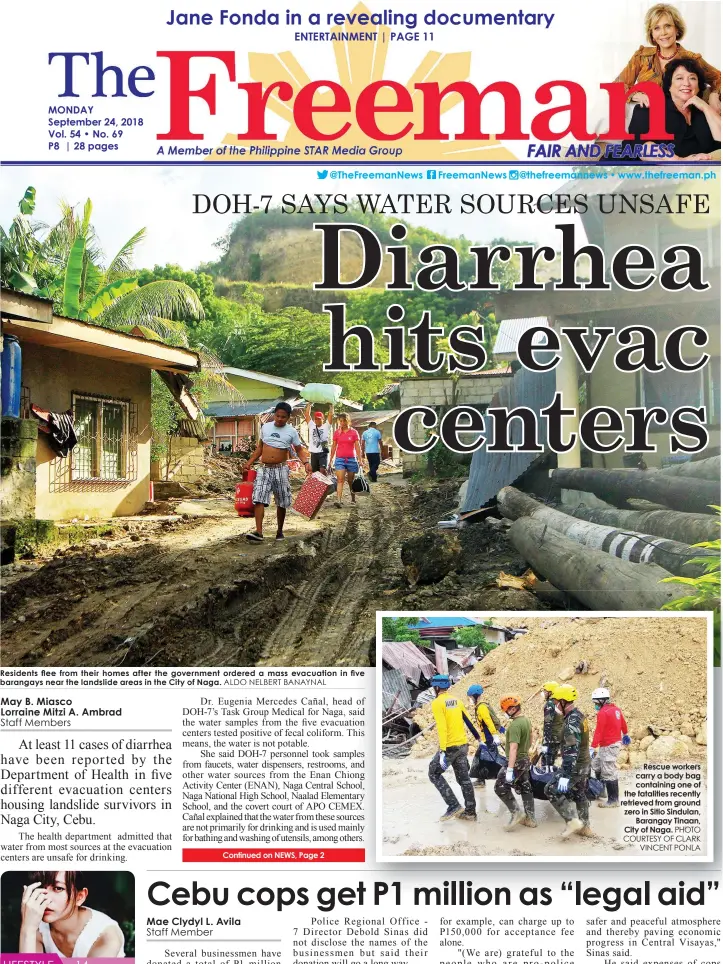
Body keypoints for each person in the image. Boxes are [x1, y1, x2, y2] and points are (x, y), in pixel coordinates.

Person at [613, 4, 720, 113]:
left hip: (683, 121)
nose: (663, 33)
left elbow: (719, 78)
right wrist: (635, 94)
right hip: (647, 120)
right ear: (652, 34)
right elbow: (616, 86)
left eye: (668, 26)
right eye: (657, 28)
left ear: (677, 29)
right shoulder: (642, 56)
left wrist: (714, 94)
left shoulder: (691, 59)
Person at [243, 402, 311, 542]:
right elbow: (260, 448)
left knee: (281, 501)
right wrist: (249, 462)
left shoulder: (291, 432)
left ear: (288, 418)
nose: (279, 419)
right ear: (274, 414)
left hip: (281, 469)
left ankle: (279, 531)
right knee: (258, 498)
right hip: (264, 468)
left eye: (283, 417)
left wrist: (306, 463)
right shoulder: (266, 427)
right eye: (277, 416)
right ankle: (259, 532)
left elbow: (299, 450)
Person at [629, 57, 721, 158]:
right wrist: (681, 161)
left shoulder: (703, 111)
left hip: (704, 171)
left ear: (699, 86)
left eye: (692, 78)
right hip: (656, 171)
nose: (686, 83)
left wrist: (705, 107)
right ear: (669, 85)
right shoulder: (649, 107)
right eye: (679, 78)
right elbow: (641, 147)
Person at [19, 871, 125, 957]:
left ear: (80, 897)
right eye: (40, 887)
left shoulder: (106, 935)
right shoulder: (36, 925)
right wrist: (27, 929)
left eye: (58, 888)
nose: (45, 898)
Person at [428, 674, 480, 822]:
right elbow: (468, 721)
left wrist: (443, 750)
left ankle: (453, 805)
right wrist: (477, 738)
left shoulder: (437, 703)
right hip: (463, 745)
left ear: (436, 687)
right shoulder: (456, 701)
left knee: (433, 773)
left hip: (450, 747)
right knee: (464, 780)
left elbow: (442, 727)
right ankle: (470, 812)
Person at [544, 685, 594, 839]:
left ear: (563, 702)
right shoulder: (579, 715)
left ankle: (572, 821)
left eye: (557, 701)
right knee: (579, 793)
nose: (556, 705)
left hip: (575, 765)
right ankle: (585, 827)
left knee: (551, 789)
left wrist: (565, 775)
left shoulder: (571, 723)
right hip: (585, 763)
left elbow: (571, 752)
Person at [494, 695, 536, 830]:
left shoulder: (514, 726)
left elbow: (513, 748)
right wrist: (525, 752)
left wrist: (510, 769)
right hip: (524, 759)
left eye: (506, 710)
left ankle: (516, 812)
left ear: (512, 709)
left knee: (500, 787)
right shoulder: (526, 720)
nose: (505, 713)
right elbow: (530, 739)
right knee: (525, 786)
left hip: (516, 761)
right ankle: (531, 819)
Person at [590, 687, 631, 809]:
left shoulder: (603, 712)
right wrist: (626, 733)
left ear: (602, 700)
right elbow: (623, 723)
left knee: (609, 771)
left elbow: (599, 731)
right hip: (608, 744)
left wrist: (592, 747)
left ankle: (613, 800)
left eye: (596, 703)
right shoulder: (616, 709)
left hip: (609, 745)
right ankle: (601, 790)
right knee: (596, 764)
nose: (595, 705)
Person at [328, 412, 363, 508]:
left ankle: (353, 499)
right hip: (340, 459)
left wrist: (360, 459)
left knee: (351, 480)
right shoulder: (337, 433)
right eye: (340, 421)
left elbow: (357, 446)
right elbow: (334, 447)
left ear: (348, 421)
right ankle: (339, 501)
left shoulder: (354, 432)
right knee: (340, 480)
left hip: (352, 459)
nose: (342, 423)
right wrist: (330, 460)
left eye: (344, 420)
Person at [467, 684, 503, 751]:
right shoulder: (479, 706)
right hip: (486, 736)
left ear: (475, 696)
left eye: (471, 697)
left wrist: (495, 736)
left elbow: (488, 722)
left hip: (488, 736)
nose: (470, 699)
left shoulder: (481, 707)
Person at [304, 402, 333, 473]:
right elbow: (307, 414)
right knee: (314, 472)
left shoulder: (326, 426)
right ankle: (317, 484)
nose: (318, 420)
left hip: (323, 452)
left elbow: (331, 415)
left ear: (323, 419)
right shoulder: (311, 426)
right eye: (316, 419)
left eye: (319, 419)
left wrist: (331, 406)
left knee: (322, 471)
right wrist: (309, 404)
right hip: (313, 453)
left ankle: (325, 483)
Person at [540, 680, 564, 768]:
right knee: (551, 761)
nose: (543, 693)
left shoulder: (550, 704)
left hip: (551, 738)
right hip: (559, 736)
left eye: (545, 691)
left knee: (546, 763)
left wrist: (545, 744)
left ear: (551, 692)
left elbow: (548, 725)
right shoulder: (560, 703)